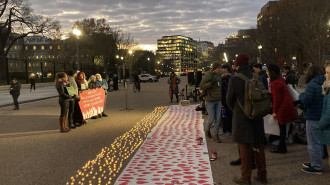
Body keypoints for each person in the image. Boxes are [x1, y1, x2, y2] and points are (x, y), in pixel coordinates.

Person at [226, 54, 267, 184]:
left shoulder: (234, 80)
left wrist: (238, 111)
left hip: (242, 119)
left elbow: (229, 100)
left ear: (237, 65)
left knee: (244, 148)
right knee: (257, 147)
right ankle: (262, 174)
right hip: (257, 117)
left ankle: (245, 177)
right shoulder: (258, 77)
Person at [299, 65, 325, 174]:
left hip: (312, 117)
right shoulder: (324, 83)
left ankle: (317, 166)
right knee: (318, 142)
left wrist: (301, 95)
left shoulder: (312, 85)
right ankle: (315, 161)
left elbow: (307, 101)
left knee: (313, 143)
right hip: (321, 116)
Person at [268, 64, 297, 153]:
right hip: (287, 105)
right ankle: (282, 146)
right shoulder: (280, 80)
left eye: (268, 71)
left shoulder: (275, 83)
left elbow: (277, 99)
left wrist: (274, 111)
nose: (267, 73)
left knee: (282, 128)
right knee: (283, 128)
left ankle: (282, 147)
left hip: (282, 107)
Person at [200, 62, 223, 143]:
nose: (220, 70)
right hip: (210, 100)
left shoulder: (219, 75)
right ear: (214, 68)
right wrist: (211, 83)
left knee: (218, 118)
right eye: (218, 68)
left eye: (220, 68)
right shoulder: (208, 75)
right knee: (211, 117)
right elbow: (202, 86)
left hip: (218, 99)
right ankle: (207, 130)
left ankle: (216, 135)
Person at [319, 64, 330, 169]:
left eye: (327, 73)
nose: (325, 75)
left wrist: (320, 125)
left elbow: (329, 113)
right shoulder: (327, 87)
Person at [220, 64, 233, 136]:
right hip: (227, 100)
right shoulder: (231, 77)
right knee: (226, 115)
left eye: (222, 69)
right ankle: (227, 129)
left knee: (225, 115)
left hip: (225, 100)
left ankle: (227, 130)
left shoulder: (225, 79)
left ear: (226, 69)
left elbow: (224, 91)